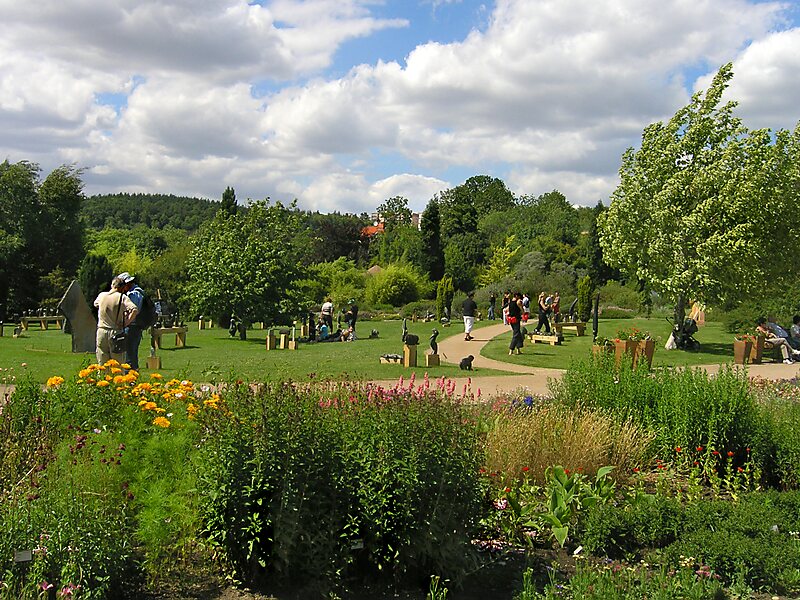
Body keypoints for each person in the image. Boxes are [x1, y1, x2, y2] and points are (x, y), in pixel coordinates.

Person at [94, 276, 138, 365]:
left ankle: (103, 378)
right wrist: (126, 322)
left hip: (101, 330)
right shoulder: (122, 297)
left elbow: (96, 304)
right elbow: (134, 309)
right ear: (122, 287)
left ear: (112, 285)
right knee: (118, 363)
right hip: (115, 331)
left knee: (102, 362)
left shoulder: (102, 295)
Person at [117, 272, 144, 370]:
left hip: (132, 327)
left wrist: (125, 323)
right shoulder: (136, 292)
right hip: (133, 327)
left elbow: (134, 311)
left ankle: (131, 378)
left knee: (130, 355)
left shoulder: (134, 294)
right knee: (131, 353)